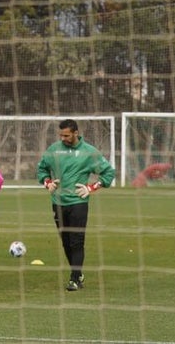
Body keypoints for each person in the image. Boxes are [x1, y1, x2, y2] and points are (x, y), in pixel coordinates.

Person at [36, 118, 116, 291]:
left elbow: (109, 172)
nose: (63, 138)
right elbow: (41, 169)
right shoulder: (54, 150)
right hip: (58, 202)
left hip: (79, 202)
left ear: (75, 133)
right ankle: (78, 273)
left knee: (77, 241)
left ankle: (74, 279)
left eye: (66, 135)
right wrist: (47, 182)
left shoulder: (89, 152)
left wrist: (92, 187)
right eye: (61, 135)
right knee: (65, 241)